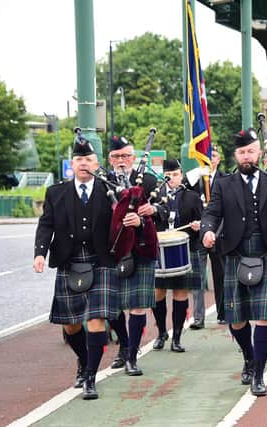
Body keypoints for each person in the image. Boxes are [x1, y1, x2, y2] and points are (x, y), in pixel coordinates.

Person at [201, 128, 267, 396]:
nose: (246, 156)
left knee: (264, 319)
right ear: (234, 155)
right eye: (241, 152)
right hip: (236, 253)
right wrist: (208, 231)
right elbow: (211, 214)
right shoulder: (224, 184)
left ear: (259, 152)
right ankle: (248, 357)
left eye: (250, 151)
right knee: (236, 320)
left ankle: (258, 373)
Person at [33, 137, 119, 400]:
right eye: (79, 160)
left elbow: (122, 222)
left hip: (101, 259)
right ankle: (84, 360)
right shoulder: (56, 192)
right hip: (70, 261)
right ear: (72, 164)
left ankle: (90, 378)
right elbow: (46, 224)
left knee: (96, 320)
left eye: (89, 160)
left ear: (97, 164)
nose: (84, 164)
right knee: (70, 325)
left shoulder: (110, 191)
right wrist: (40, 253)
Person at [104, 135, 158, 376]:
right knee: (111, 308)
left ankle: (132, 357)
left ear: (134, 157)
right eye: (116, 157)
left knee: (137, 307)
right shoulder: (101, 180)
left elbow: (167, 208)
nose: (121, 161)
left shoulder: (148, 179)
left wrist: (151, 211)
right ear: (109, 159)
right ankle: (124, 345)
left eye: (125, 156)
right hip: (113, 250)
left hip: (141, 246)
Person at [152, 159, 204, 353]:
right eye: (168, 175)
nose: (171, 178)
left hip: (185, 250)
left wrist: (199, 225)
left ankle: (177, 337)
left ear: (181, 175)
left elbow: (204, 219)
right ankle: (161, 333)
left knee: (181, 294)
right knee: (158, 294)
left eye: (175, 174)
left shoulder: (192, 197)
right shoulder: (155, 198)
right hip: (160, 250)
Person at [191, 145, 229, 328]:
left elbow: (226, 211)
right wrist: (196, 223)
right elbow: (186, 205)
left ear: (219, 159)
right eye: (206, 155)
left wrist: (215, 231)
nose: (210, 159)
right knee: (197, 278)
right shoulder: (192, 180)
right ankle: (198, 318)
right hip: (197, 234)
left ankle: (223, 313)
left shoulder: (226, 180)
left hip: (219, 235)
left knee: (221, 275)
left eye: (213, 155)